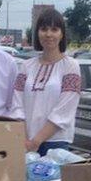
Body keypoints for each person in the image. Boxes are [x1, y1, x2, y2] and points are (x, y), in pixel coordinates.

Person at [13, 9, 81, 155]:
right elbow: (17, 104)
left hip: (56, 144)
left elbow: (64, 110)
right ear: (37, 33)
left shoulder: (70, 66)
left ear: (62, 34)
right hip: (24, 142)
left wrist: (36, 141)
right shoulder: (26, 66)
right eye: (44, 29)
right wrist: (24, 138)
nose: (48, 34)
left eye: (54, 29)